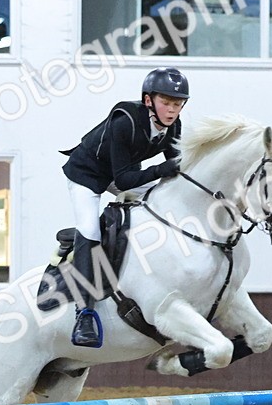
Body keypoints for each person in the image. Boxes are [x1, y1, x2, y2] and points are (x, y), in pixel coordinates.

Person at [60, 66, 189, 347]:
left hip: (122, 174)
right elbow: (125, 180)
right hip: (87, 175)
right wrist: (162, 169)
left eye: (177, 104)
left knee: (165, 195)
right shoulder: (125, 121)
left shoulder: (173, 127)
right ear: (148, 101)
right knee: (90, 230)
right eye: (166, 102)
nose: (171, 110)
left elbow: (176, 170)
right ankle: (84, 313)